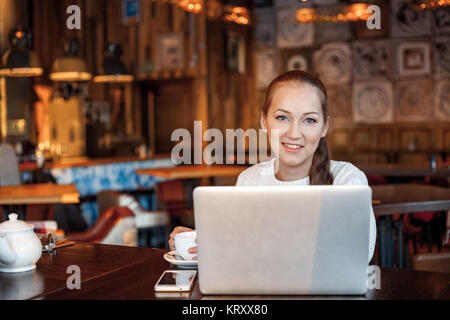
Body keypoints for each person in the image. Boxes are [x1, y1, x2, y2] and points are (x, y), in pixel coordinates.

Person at [169, 70, 377, 262]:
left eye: (310, 120)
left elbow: (357, 256)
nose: (294, 133)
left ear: (325, 127)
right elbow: (240, 256)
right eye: (282, 117)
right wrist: (204, 243)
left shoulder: (347, 180)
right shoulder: (249, 180)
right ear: (263, 121)